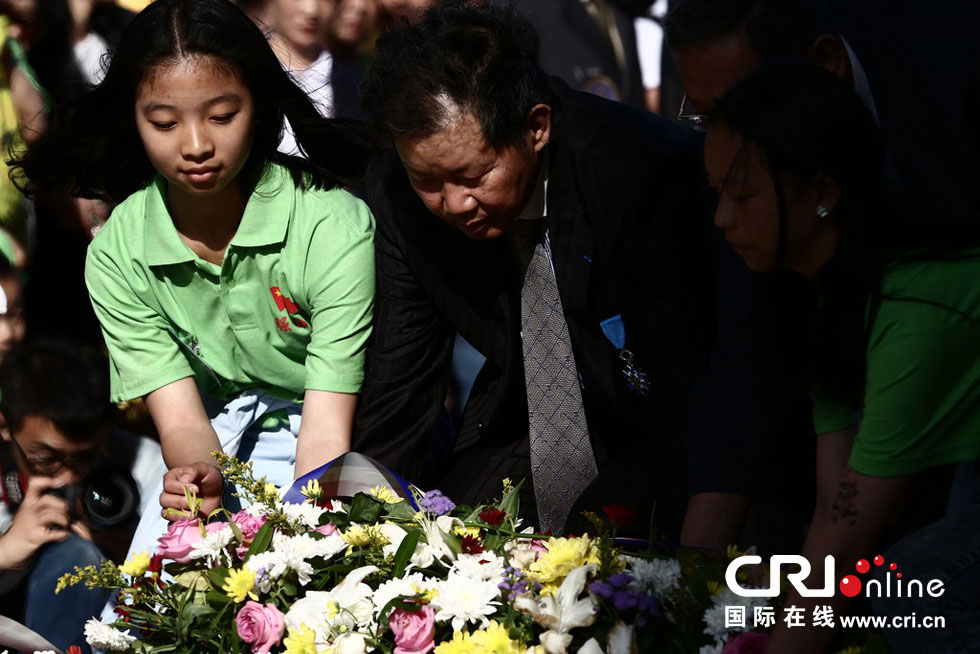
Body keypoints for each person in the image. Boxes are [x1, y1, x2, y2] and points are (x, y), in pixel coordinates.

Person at [13, 0, 376, 558]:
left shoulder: (331, 224)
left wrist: (305, 551)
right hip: (223, 439)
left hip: (352, 443)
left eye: (222, 116)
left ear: (257, 106)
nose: (196, 145)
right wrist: (197, 477)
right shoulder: (117, 252)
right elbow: (182, 419)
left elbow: (326, 434)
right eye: (163, 123)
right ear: (131, 118)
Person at [353, 4, 713, 537]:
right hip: (520, 424)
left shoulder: (638, 171)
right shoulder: (398, 194)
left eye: (474, 175)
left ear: (536, 127)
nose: (454, 203)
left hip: (659, 430)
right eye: (427, 180)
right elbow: (399, 387)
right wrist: (360, 534)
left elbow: (686, 385)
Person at [702, 61, 980, 654]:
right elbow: (834, 502)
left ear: (823, 192)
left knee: (905, 594)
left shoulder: (915, 306)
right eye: (717, 193)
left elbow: (851, 532)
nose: (722, 218)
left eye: (743, 193)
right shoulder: (820, 294)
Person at [0, 340, 113, 654]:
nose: (67, 477)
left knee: (80, 559)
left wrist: (122, 546)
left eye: (85, 459)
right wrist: (7, 550)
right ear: (5, 425)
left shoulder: (132, 459)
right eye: (45, 459)